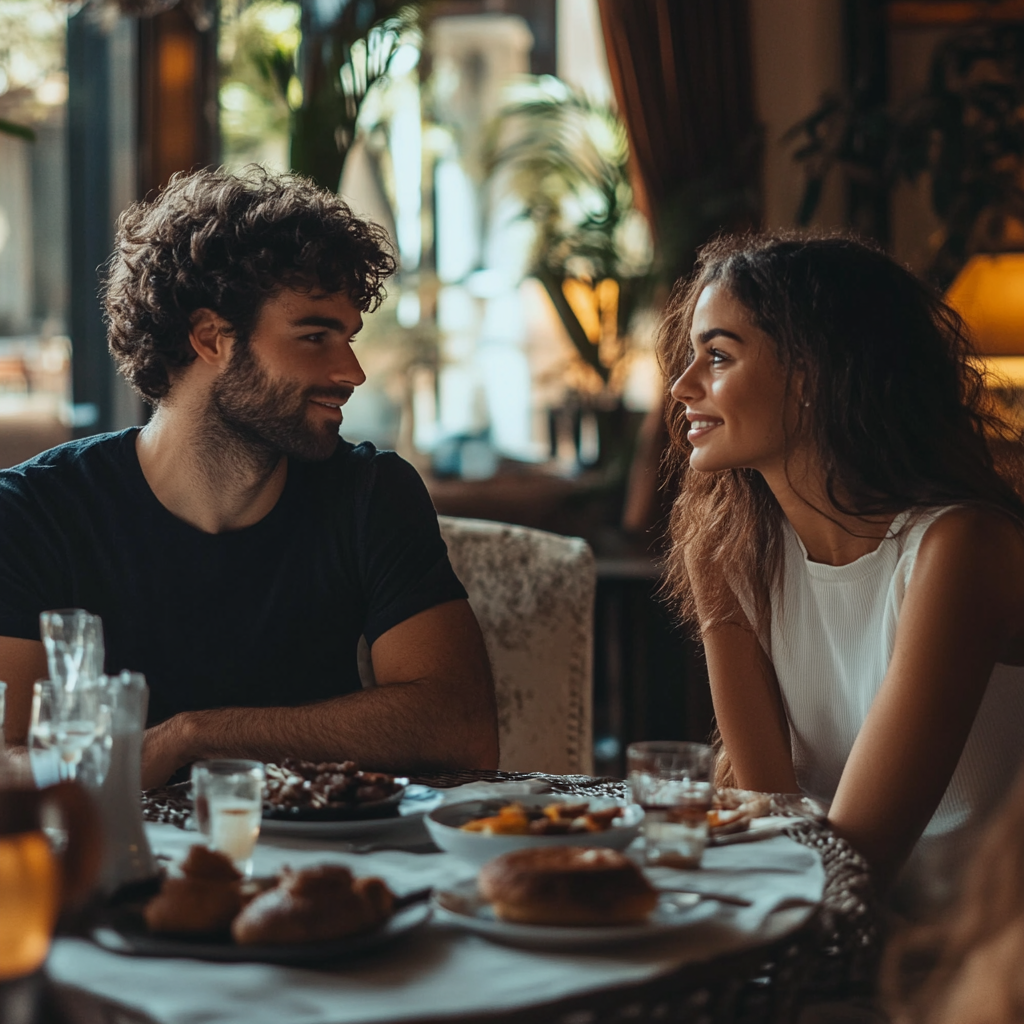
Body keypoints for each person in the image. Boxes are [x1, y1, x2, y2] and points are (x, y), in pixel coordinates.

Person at [0, 166, 499, 787]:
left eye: (348, 337)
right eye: (315, 335)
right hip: (116, 866)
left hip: (335, 867)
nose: (352, 371)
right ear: (212, 338)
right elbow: (6, 758)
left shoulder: (372, 493)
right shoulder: (30, 512)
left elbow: (461, 730)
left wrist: (193, 736)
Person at [658, 232, 1024, 915]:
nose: (683, 387)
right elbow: (772, 815)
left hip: (972, 963)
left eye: (717, 356)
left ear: (812, 374)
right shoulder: (728, 554)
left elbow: (856, 862)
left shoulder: (959, 548)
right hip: (827, 927)